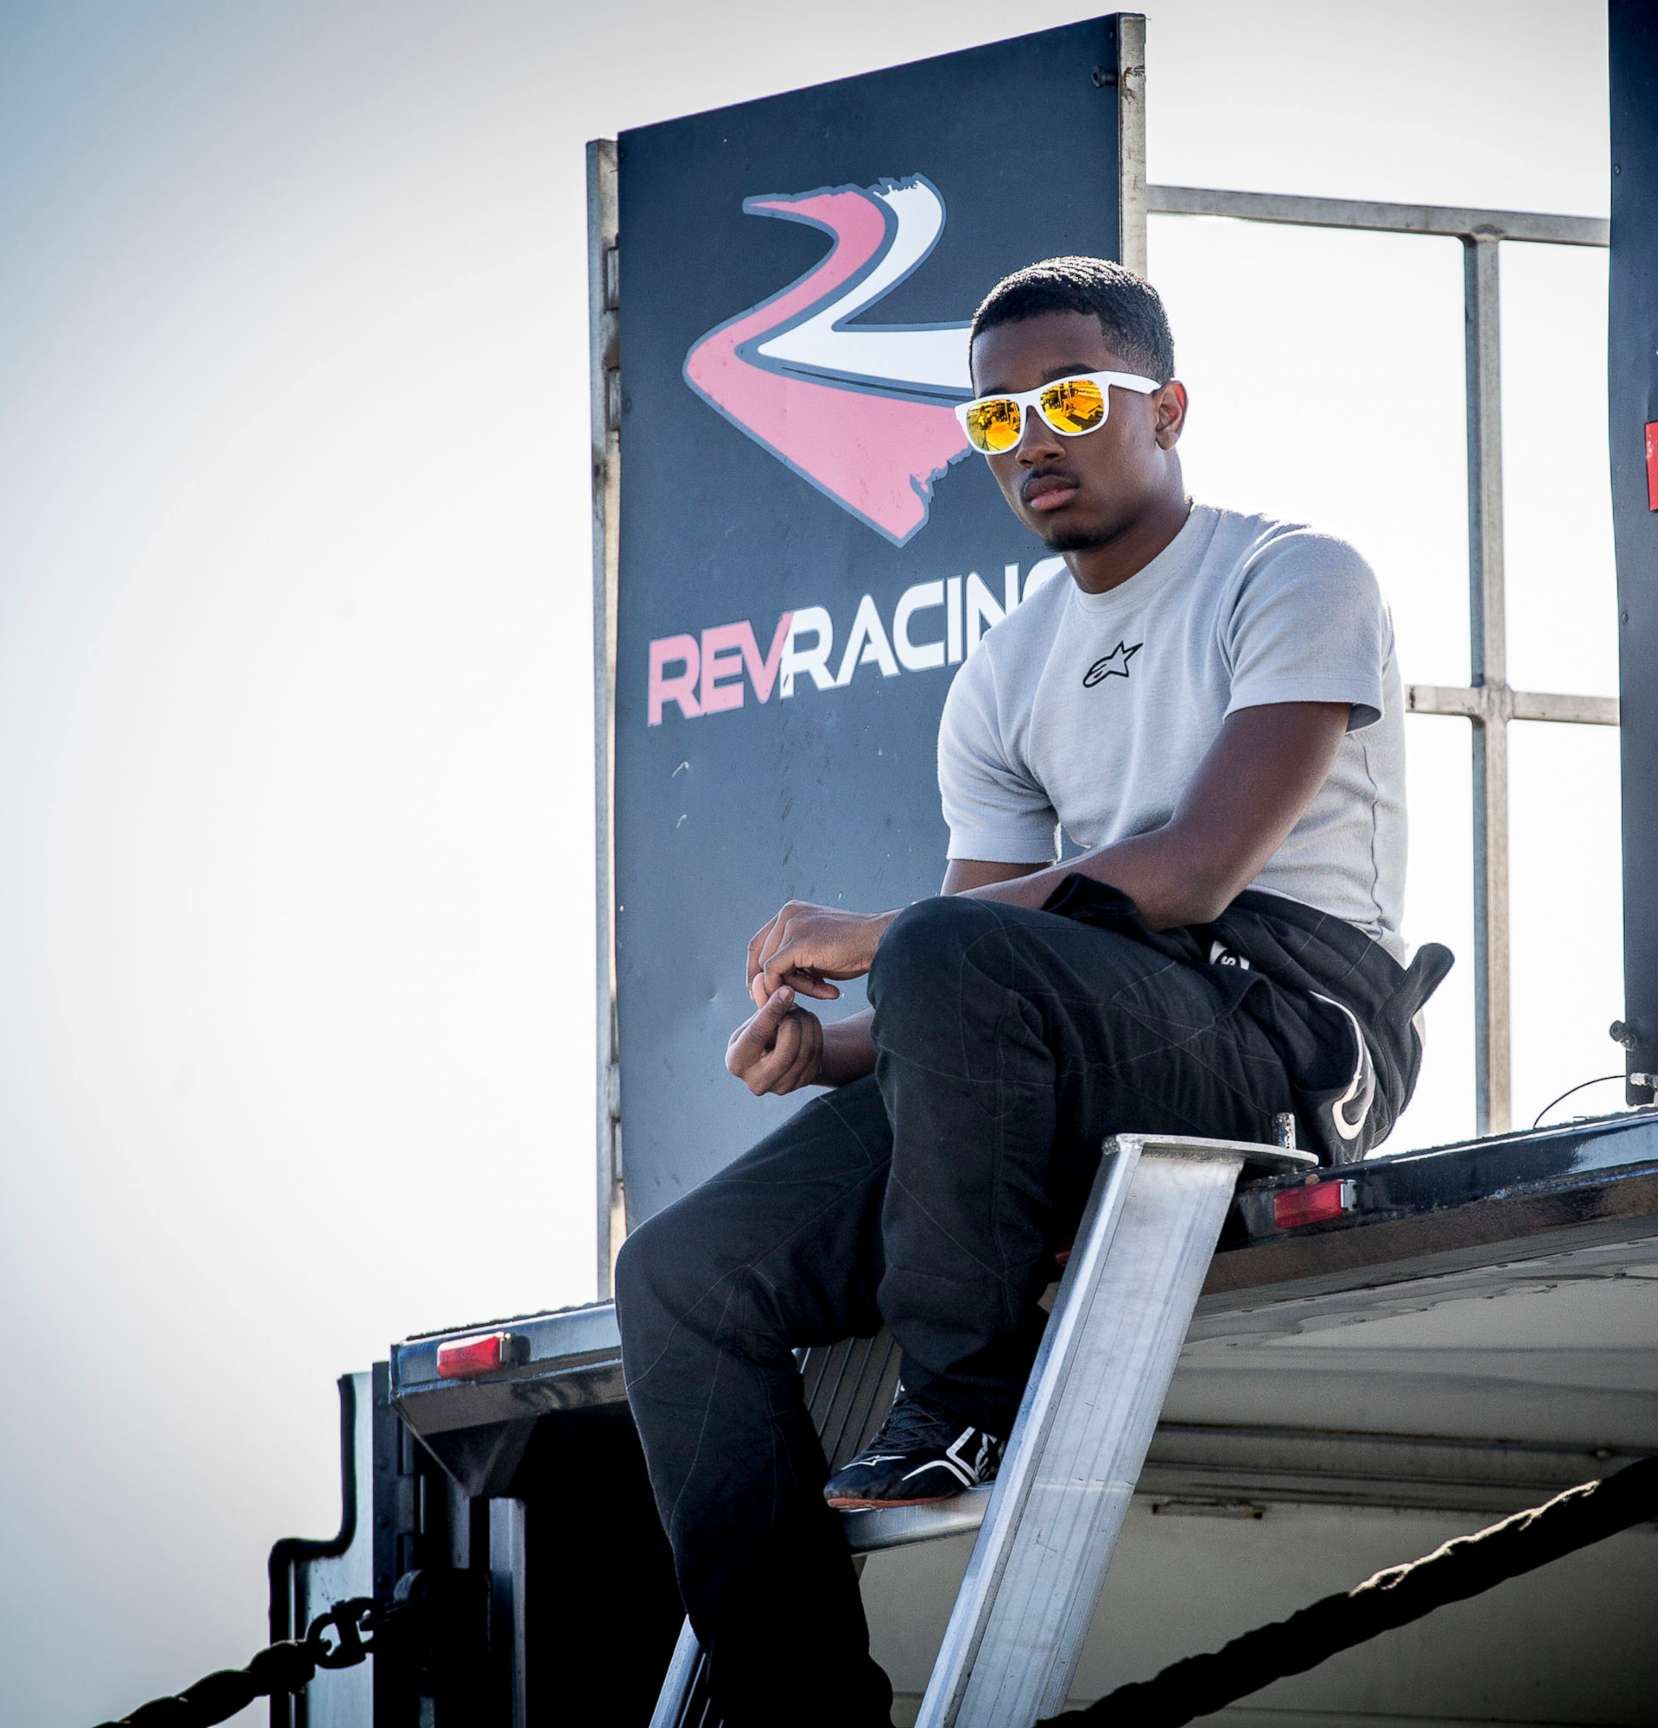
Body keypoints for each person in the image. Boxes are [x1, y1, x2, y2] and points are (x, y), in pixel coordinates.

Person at [612, 256, 1450, 1722]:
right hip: (1084, 1022)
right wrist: (831, 1055)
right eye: (994, 422)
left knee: (942, 938)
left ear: (1167, 406)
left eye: (1068, 401)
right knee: (682, 1274)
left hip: (1284, 1025)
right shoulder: (1004, 670)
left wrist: (886, 934)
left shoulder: (1293, 573)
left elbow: (1190, 876)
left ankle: (964, 1404)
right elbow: (965, 995)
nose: (1031, 442)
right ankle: (803, 1704)